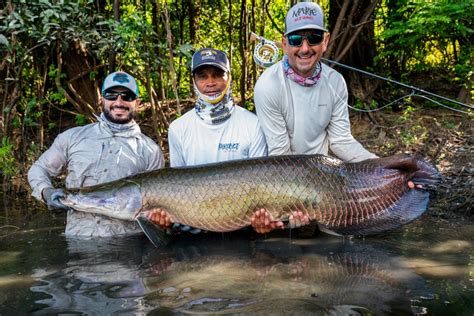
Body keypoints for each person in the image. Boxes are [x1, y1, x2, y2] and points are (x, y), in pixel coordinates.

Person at [252, 2, 418, 233]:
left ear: (326, 41)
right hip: (283, 180)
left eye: (314, 38)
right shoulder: (267, 86)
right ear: (284, 43)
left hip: (324, 179)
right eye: (296, 40)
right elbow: (281, 155)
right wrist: (300, 199)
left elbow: (341, 141)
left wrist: (384, 170)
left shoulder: (336, 82)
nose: (305, 48)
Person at [148, 48, 309, 234]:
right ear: (193, 80)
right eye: (202, 76)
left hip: (243, 230)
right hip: (194, 234)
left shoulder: (253, 123)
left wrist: (266, 219)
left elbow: (262, 185)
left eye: (218, 75)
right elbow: (177, 188)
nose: (211, 83)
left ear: (229, 77)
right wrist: (164, 220)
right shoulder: (178, 128)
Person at [28, 71, 165, 237]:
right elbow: (39, 169)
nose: (119, 102)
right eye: (111, 95)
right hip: (78, 239)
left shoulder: (151, 151)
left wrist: (159, 219)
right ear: (102, 99)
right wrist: (45, 191)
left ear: (137, 102)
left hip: (128, 244)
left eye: (127, 96)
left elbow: (158, 207)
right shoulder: (72, 137)